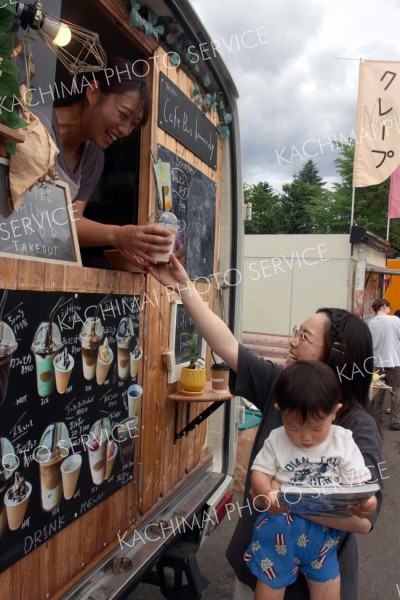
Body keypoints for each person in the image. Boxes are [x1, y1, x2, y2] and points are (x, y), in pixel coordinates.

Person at [147, 255, 383, 600]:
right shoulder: (281, 385)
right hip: (260, 569)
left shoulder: (357, 426)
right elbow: (226, 344)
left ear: (335, 358)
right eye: (296, 331)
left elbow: (362, 519)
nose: (291, 342)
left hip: (316, 584)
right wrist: (183, 286)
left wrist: (281, 495)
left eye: (304, 336)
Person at [246, 360, 375, 600]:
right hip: (279, 529)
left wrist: (366, 503)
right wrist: (266, 492)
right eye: (294, 428)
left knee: (327, 585)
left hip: (323, 535)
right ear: (279, 410)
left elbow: (361, 486)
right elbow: (260, 472)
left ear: (334, 413)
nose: (305, 437)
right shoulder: (277, 439)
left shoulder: (343, 442)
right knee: (269, 585)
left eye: (317, 429)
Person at [48, 57, 172, 267]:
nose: (124, 131)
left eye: (133, 124)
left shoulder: (93, 158)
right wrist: (118, 234)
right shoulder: (35, 123)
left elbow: (70, 222)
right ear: (93, 91)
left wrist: (121, 236)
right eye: (123, 114)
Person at [368, 298, 400, 430]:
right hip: (394, 361)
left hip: (377, 362)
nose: (389, 310)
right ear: (384, 306)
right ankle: (396, 421)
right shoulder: (394, 320)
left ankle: (374, 420)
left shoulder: (370, 323)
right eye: (388, 307)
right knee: (396, 391)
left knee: (378, 391)